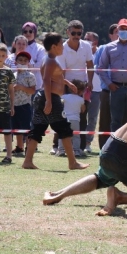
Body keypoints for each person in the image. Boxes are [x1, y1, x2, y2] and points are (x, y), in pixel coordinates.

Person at [21, 32, 89, 171]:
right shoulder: (51, 61)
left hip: (44, 97)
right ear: (53, 46)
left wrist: (67, 83)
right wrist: (49, 101)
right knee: (64, 129)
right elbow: (46, 80)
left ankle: (28, 161)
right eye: (60, 44)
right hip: (50, 98)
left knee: (38, 129)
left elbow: (54, 77)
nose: (62, 47)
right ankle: (72, 162)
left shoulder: (49, 59)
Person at [56, 20, 94, 154]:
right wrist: (65, 86)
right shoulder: (62, 48)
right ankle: (59, 147)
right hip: (66, 85)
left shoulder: (86, 46)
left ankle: (80, 148)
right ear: (68, 32)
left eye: (79, 33)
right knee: (63, 116)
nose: (76, 36)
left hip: (82, 86)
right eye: (73, 33)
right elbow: (61, 71)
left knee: (82, 116)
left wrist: (90, 81)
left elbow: (90, 65)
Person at [95, 24, 119, 150]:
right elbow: (97, 68)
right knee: (105, 120)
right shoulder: (103, 48)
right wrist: (108, 82)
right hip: (106, 90)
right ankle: (103, 148)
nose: (119, 34)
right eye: (116, 32)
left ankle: (120, 147)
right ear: (110, 35)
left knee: (121, 120)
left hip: (123, 90)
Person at [11, 51, 36, 156]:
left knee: (26, 128)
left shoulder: (30, 75)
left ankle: (28, 148)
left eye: (25, 61)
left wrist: (21, 87)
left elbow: (32, 90)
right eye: (20, 60)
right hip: (14, 105)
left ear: (28, 63)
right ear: (15, 62)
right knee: (16, 128)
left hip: (25, 105)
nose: (22, 62)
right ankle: (19, 146)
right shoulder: (13, 75)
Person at [57, 79, 86, 157]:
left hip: (65, 119)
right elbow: (83, 110)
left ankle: (61, 150)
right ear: (80, 91)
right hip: (75, 120)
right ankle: (76, 151)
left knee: (62, 135)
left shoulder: (64, 97)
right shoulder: (81, 99)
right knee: (76, 136)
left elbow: (60, 103)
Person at [83, 31, 101, 154]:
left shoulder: (101, 52)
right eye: (85, 38)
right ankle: (78, 141)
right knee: (80, 116)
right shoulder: (82, 51)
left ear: (95, 42)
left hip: (97, 90)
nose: (85, 40)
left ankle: (88, 142)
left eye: (88, 39)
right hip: (83, 89)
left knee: (93, 118)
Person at [21, 22, 47, 90]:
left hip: (36, 83)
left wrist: (26, 66)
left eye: (30, 31)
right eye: (25, 31)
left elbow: (40, 64)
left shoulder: (40, 48)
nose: (28, 34)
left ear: (34, 32)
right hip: (20, 83)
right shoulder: (19, 46)